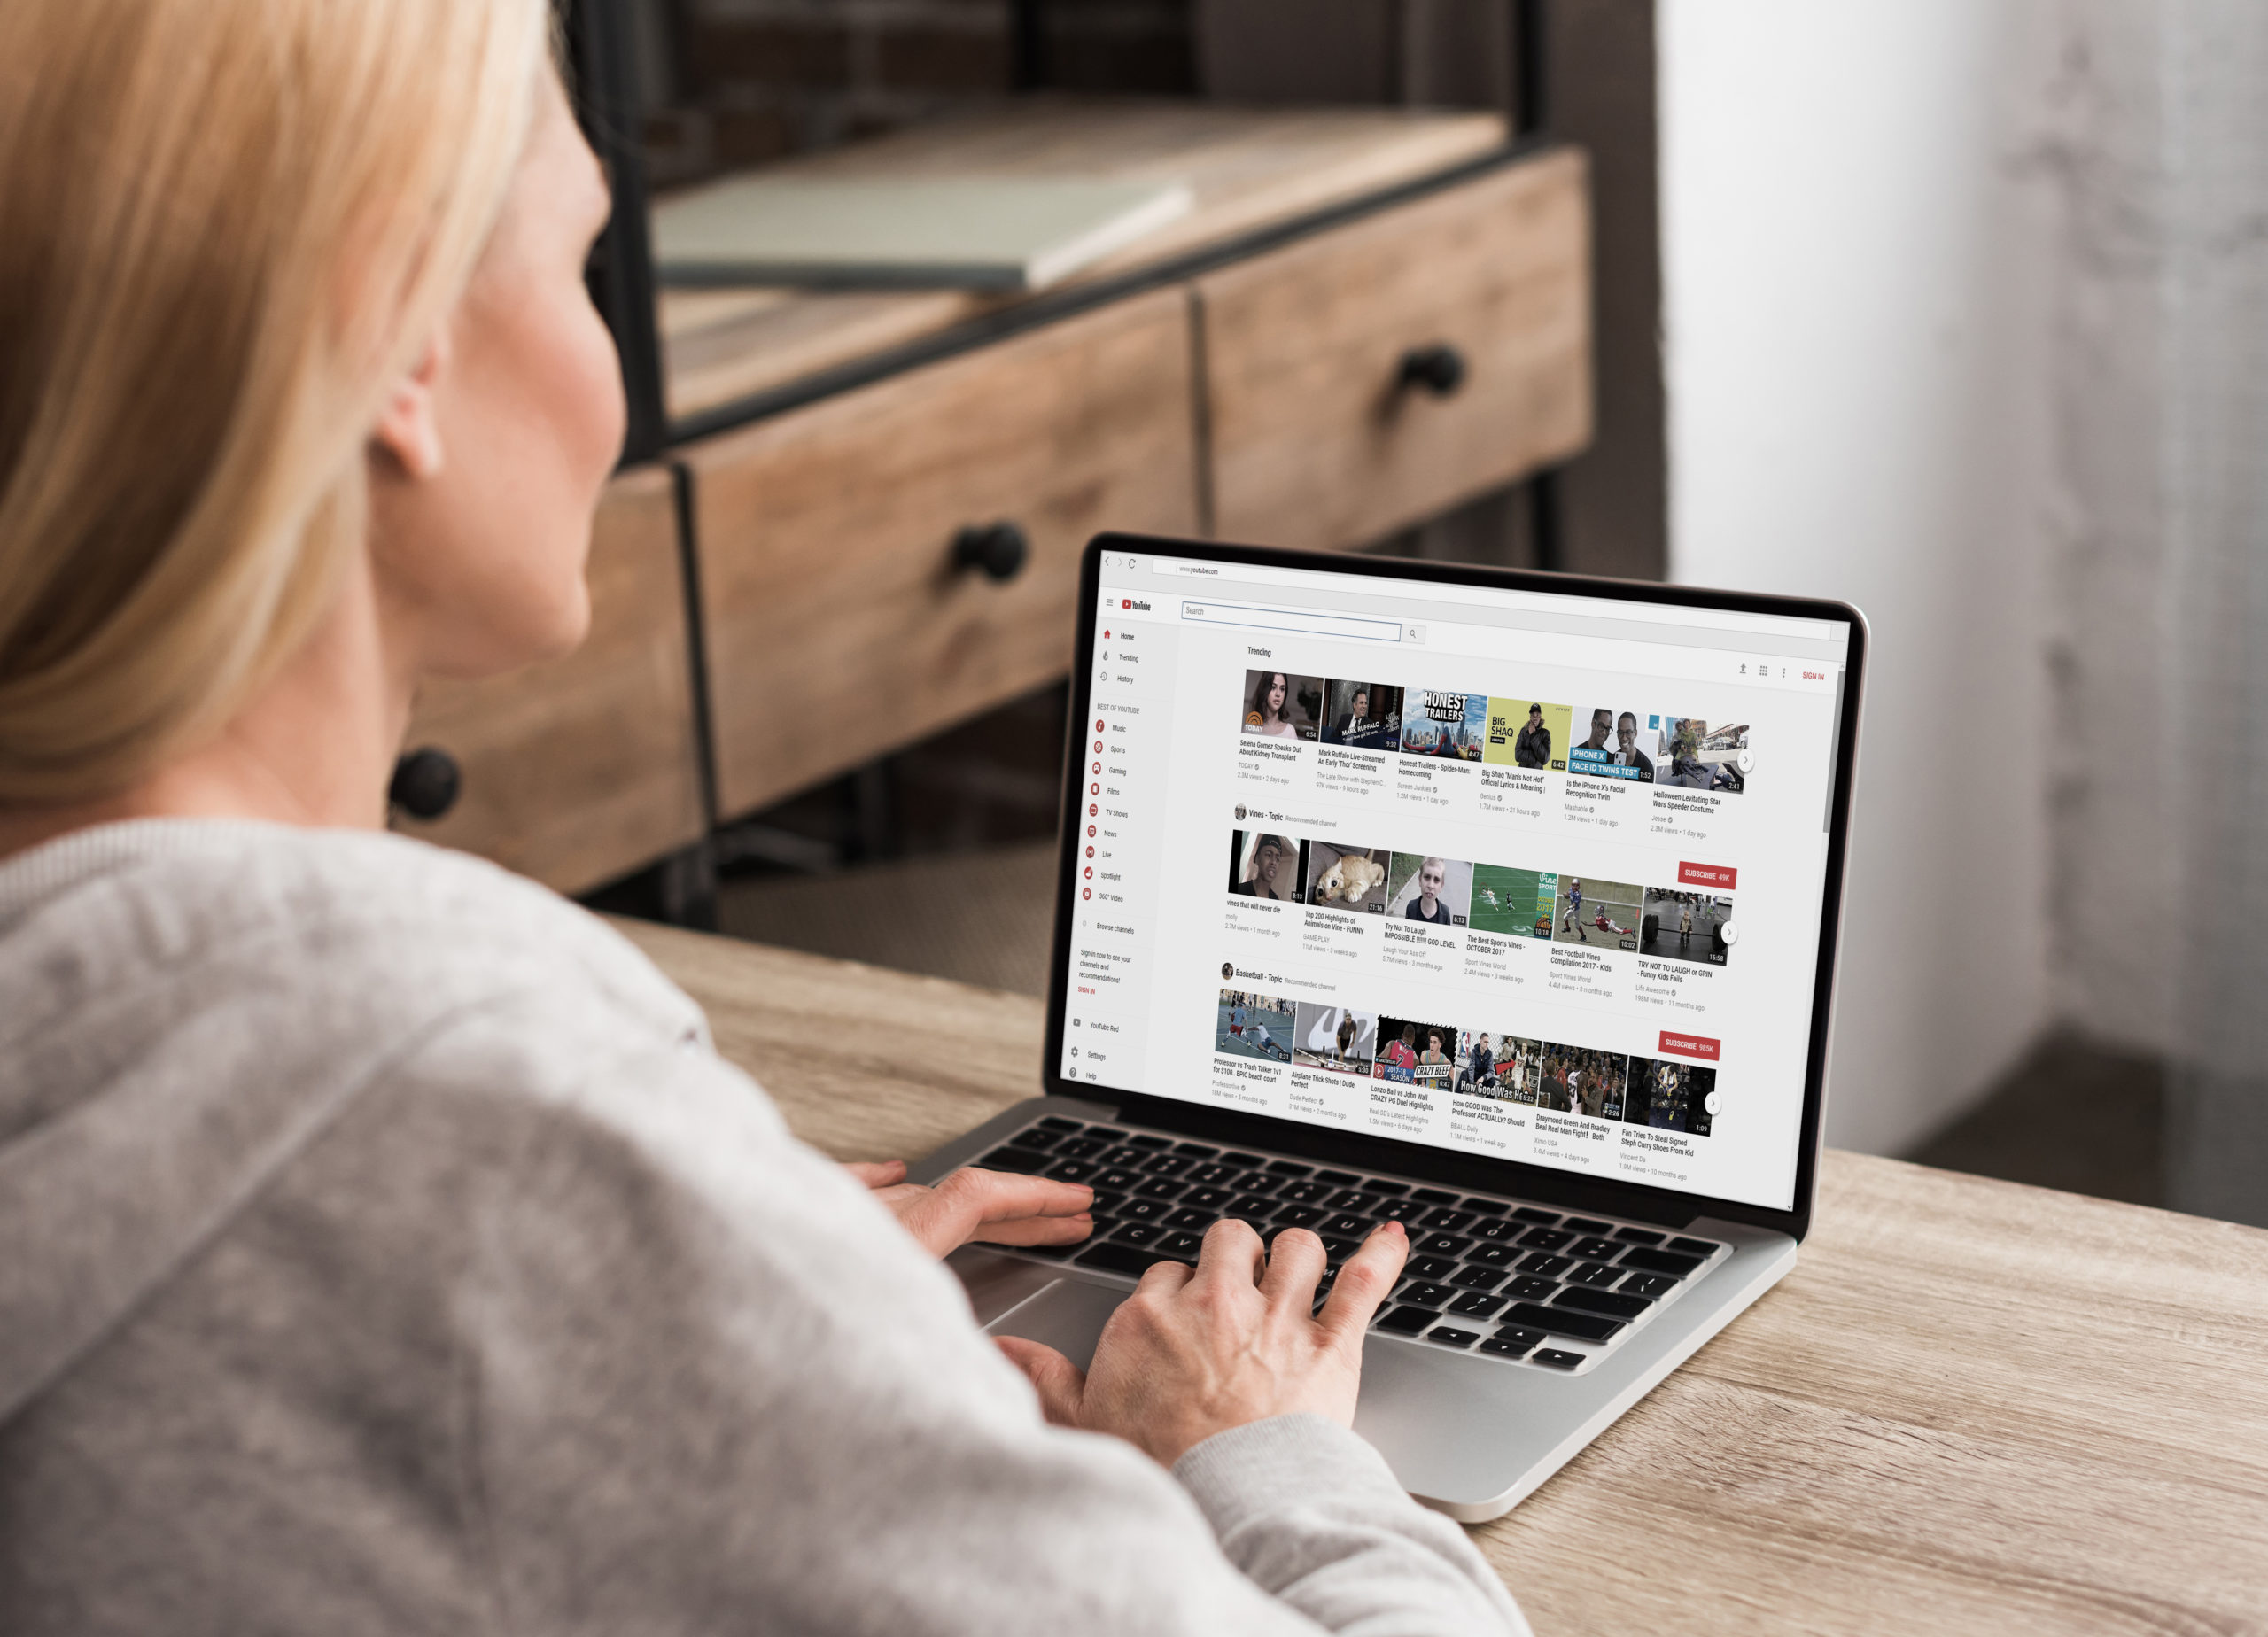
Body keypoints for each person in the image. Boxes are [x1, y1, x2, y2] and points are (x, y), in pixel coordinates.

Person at [0, 7, 1524, 1633]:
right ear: (396, 346)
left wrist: (749, 1275)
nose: (607, 368)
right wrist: (1270, 1453)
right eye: (587, 271)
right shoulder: (490, 1133)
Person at [1231, 832, 1291, 899]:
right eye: (1268, 855)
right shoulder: (1239, 891)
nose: (1274, 862)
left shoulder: (1275, 898)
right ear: (1257, 859)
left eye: (1277, 859)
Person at [1246, 671, 1302, 739]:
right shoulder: (1250, 729)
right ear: (1264, 690)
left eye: (1282, 689)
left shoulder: (1290, 731)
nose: (1278, 694)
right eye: (1273, 687)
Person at [1404, 856, 1455, 925]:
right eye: (1427, 877)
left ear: (1441, 886)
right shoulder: (1410, 907)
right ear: (1420, 880)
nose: (1430, 885)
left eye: (1436, 879)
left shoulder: (1445, 913)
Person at [1612, 711, 1657, 780]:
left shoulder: (1647, 768)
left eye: (1628, 732)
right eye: (1621, 732)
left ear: (1635, 734)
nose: (1624, 738)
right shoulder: (1611, 760)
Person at [1513, 702, 1552, 769]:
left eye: (1537, 714)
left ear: (1540, 717)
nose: (1535, 717)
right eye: (1533, 715)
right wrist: (1537, 758)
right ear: (1530, 717)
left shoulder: (1545, 733)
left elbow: (1545, 759)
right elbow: (1517, 755)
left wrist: (1533, 734)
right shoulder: (1523, 731)